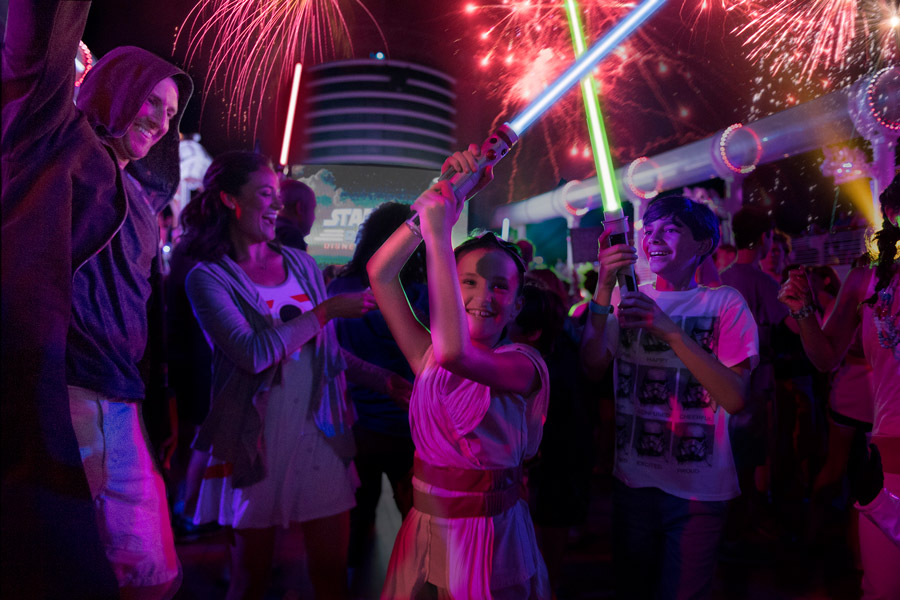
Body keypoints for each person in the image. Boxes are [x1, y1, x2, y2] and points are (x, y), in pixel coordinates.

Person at [2, 1, 193, 596]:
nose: (160, 122)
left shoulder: (143, 199)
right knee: (58, 565)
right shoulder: (54, 142)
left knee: (152, 573)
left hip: (124, 401)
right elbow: (36, 53)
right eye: (150, 102)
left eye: (171, 114)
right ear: (113, 88)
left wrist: (159, 406)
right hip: (61, 394)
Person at [181, 151, 395, 600]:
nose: (276, 205)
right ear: (228, 200)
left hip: (319, 434)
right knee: (251, 579)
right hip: (253, 441)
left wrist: (389, 382)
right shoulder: (207, 278)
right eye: (264, 194)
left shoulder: (300, 265)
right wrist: (327, 311)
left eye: (277, 195)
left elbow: (331, 354)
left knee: (331, 574)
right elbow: (252, 353)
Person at [368, 147, 551, 599]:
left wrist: (438, 231)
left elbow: (456, 354)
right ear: (449, 282)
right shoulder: (427, 354)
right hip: (425, 527)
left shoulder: (522, 364)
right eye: (468, 280)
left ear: (518, 305)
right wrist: (448, 192)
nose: (483, 295)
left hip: (488, 536)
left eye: (500, 285)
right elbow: (380, 273)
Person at [581, 195, 758, 599]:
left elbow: (734, 398)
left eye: (671, 229)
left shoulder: (724, 303)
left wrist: (671, 332)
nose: (654, 238)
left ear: (703, 244)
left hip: (698, 493)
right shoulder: (628, 297)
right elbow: (591, 365)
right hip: (633, 485)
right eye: (649, 229)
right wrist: (605, 284)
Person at [778, 173, 900, 599]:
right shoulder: (869, 277)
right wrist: (805, 309)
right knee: (883, 586)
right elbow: (826, 356)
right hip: (891, 457)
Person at [327, 202, 425, 574]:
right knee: (417, 525)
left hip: (356, 424)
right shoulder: (423, 292)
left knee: (356, 521)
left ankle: (355, 580)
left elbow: (332, 355)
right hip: (410, 425)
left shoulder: (340, 288)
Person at [719, 207, 788, 539]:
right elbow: (788, 326)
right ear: (765, 238)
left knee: (729, 459)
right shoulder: (764, 281)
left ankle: (729, 530)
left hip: (720, 384)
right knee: (749, 463)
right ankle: (742, 532)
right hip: (755, 386)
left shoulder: (720, 279)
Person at [276, 178, 317, 250]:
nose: (314, 217)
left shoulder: (268, 232)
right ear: (299, 208)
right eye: (312, 209)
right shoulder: (291, 237)